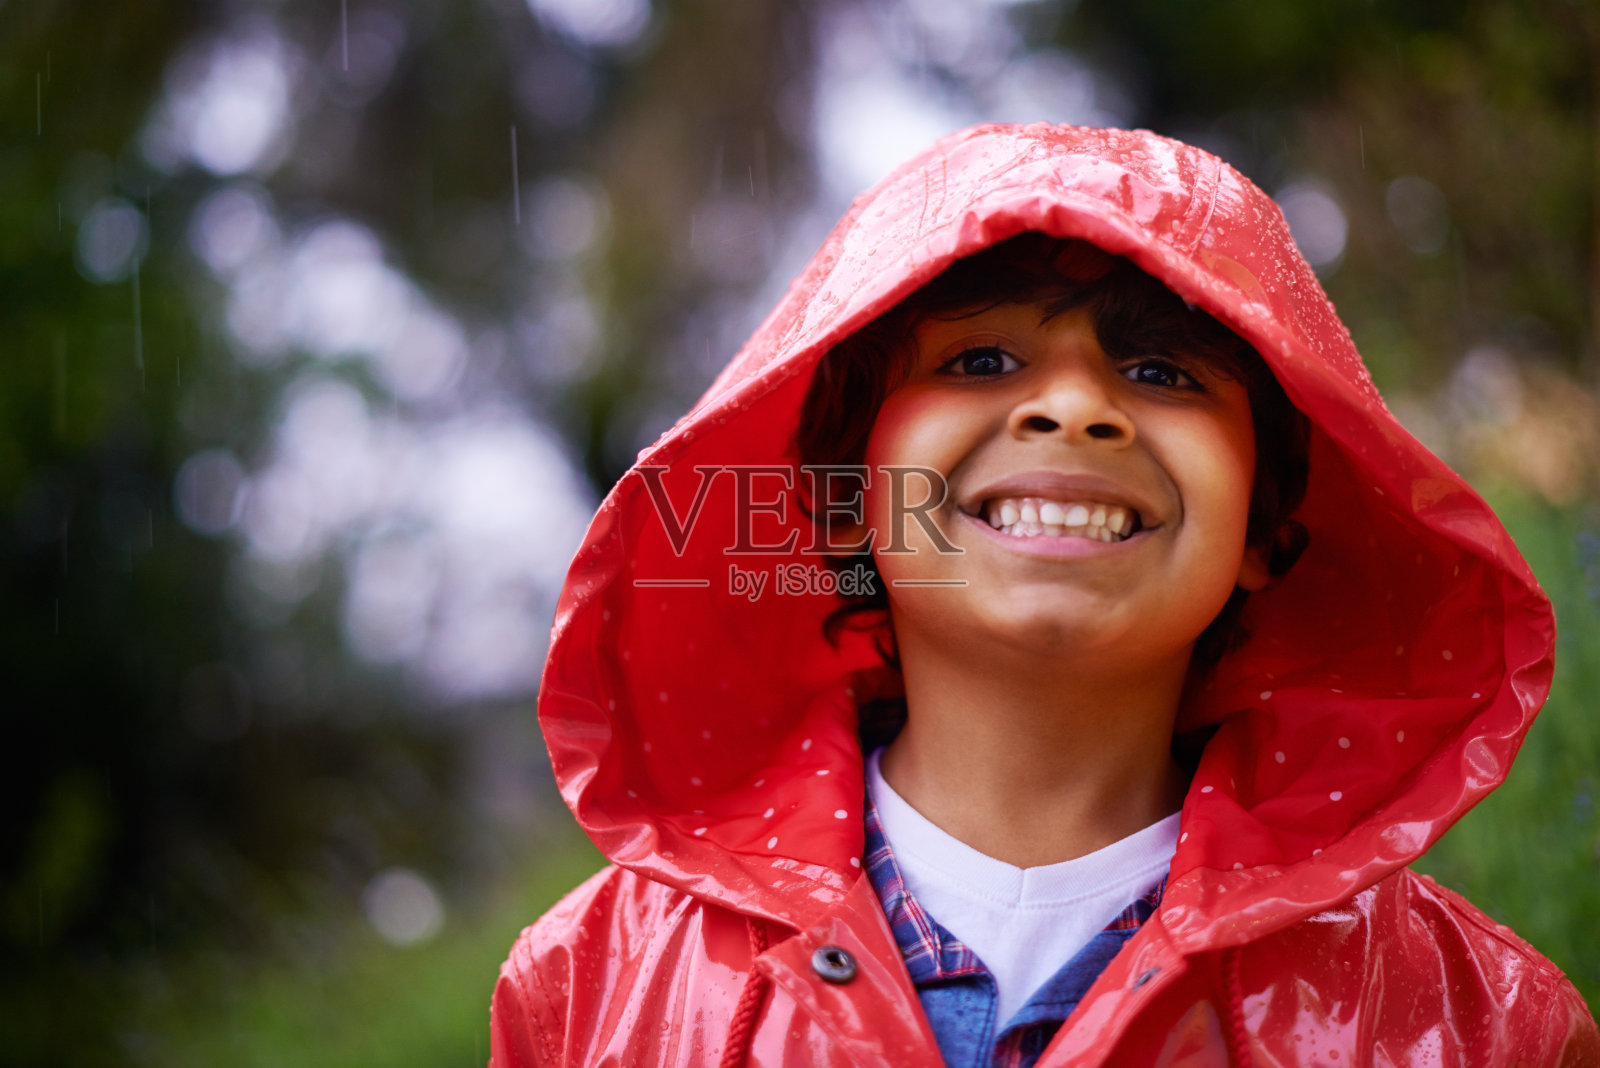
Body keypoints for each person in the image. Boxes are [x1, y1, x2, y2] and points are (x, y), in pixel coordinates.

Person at [489, 124, 1600, 1066]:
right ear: (841, 505)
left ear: (1263, 529)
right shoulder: (590, 988)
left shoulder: (1482, 1023)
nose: (1073, 410)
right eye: (978, 361)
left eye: (1163, 372)